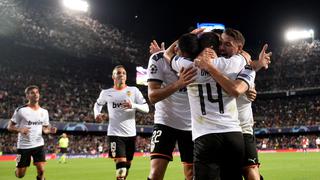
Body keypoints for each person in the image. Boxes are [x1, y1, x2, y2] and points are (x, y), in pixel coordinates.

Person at [164, 31, 256, 180]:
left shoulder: (188, 66)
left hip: (205, 136)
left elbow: (167, 54)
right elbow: (245, 56)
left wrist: (188, 36)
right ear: (217, 47)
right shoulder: (232, 64)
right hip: (233, 134)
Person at [208, 28, 271, 180]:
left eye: (226, 44)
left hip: (242, 127)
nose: (221, 47)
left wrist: (249, 86)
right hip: (220, 129)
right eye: (219, 44)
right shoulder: (212, 65)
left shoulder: (243, 64)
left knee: (250, 172)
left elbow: (240, 84)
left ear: (239, 48)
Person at [146, 39, 197, 180]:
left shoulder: (198, 62)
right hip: (165, 121)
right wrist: (179, 84)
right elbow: (152, 96)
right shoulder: (158, 58)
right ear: (176, 49)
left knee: (191, 174)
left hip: (192, 125)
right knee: (156, 173)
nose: (186, 61)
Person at [93, 65, 149, 180]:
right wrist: (97, 115)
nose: (122, 75)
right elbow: (97, 105)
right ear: (113, 76)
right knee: (121, 167)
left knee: (127, 167)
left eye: (124, 73)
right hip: (115, 134)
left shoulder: (133, 91)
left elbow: (146, 108)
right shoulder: (106, 93)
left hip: (131, 134)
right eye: (118, 73)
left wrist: (132, 105)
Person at [7, 85, 57, 180]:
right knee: (20, 175)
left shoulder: (44, 112)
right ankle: (17, 165)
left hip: (38, 145)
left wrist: (49, 130)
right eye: (32, 93)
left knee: (41, 170)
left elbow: (45, 129)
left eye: (37, 92)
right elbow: (9, 126)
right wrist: (20, 129)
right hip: (23, 146)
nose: (35, 94)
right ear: (27, 96)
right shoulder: (21, 110)